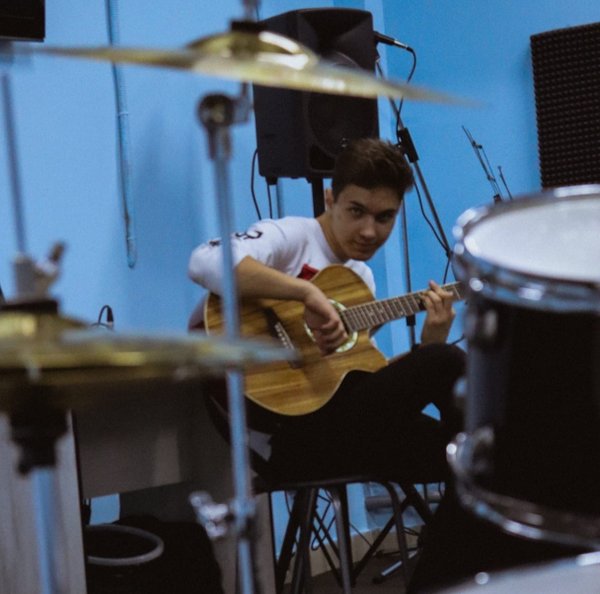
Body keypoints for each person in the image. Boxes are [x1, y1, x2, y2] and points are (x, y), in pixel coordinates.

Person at [188, 138, 466, 588]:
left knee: (467, 459)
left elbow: (357, 381)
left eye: (384, 217)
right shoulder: (292, 237)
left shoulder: (360, 279)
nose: (369, 231)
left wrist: (427, 344)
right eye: (356, 211)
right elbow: (204, 261)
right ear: (330, 199)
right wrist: (306, 293)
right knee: (449, 363)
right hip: (283, 439)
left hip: (336, 428)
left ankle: (442, 580)